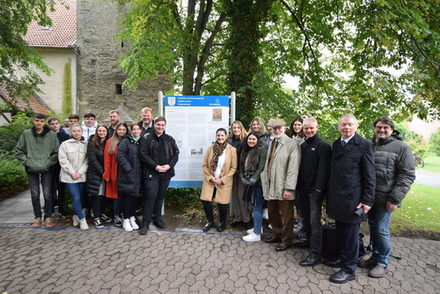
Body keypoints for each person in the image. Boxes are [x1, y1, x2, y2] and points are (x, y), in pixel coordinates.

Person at [358, 116, 415, 278]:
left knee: (381, 230)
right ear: (374, 129)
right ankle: (375, 257)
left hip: (387, 199)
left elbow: (407, 175)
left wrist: (395, 199)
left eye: (385, 128)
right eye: (379, 127)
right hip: (370, 198)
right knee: (374, 228)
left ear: (391, 129)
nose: (382, 130)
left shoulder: (401, 148)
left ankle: (383, 262)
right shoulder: (370, 145)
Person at [326, 114, 375, 284]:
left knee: (351, 235)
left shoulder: (364, 145)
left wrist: (368, 200)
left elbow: (370, 175)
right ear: (339, 126)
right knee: (341, 232)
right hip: (337, 197)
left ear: (356, 126)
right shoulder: (337, 144)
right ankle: (343, 259)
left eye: (350, 125)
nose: (346, 127)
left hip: (354, 199)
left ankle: (349, 269)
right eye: (343, 124)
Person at [295, 117, 332, 266]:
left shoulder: (323, 146)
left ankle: (316, 254)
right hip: (302, 190)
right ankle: (309, 243)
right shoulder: (303, 145)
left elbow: (324, 171)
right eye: (306, 128)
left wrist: (318, 190)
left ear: (317, 127)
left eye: (311, 128)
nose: (308, 130)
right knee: (306, 219)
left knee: (315, 222)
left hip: (315, 192)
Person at [260, 119, 300, 251]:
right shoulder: (273, 142)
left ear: (284, 128)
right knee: (272, 212)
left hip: (284, 187)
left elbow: (293, 168)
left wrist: (289, 188)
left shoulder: (291, 143)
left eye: (279, 128)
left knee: (287, 215)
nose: (276, 130)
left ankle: (287, 240)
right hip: (272, 185)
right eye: (274, 128)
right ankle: (277, 234)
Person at [15, 113, 60, 228]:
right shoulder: (26, 134)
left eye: (41, 121)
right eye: (37, 120)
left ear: (44, 122)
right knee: (35, 194)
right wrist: (27, 162)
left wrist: (49, 162)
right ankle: (37, 217)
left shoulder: (51, 135)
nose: (39, 123)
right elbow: (18, 150)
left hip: (47, 168)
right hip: (31, 168)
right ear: (33, 121)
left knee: (47, 194)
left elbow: (57, 152)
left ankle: (48, 217)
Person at [139, 116, 179, 235]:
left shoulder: (169, 139)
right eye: (158, 125)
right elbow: (143, 155)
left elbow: (176, 154)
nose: (160, 127)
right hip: (151, 173)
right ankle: (145, 223)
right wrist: (156, 166)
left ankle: (157, 219)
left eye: (162, 125)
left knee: (160, 197)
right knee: (150, 197)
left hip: (166, 173)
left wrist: (168, 166)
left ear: (165, 126)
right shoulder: (146, 138)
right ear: (154, 125)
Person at [200, 128, 237, 232]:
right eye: (218, 135)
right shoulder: (210, 148)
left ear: (226, 137)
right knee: (206, 201)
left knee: (223, 204)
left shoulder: (232, 150)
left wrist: (222, 179)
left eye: (222, 135)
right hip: (210, 180)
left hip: (224, 182)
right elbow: (205, 165)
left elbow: (233, 168)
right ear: (216, 136)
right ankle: (210, 222)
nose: (220, 137)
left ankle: (222, 223)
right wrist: (210, 177)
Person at [58, 124, 89, 230]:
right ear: (71, 132)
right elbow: (63, 160)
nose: (76, 133)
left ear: (82, 132)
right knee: (75, 196)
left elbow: (88, 160)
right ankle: (82, 219)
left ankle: (75, 216)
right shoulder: (65, 144)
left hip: (81, 175)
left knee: (80, 198)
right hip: (69, 176)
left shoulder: (86, 144)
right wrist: (72, 172)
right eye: (74, 131)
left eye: (78, 131)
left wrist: (80, 172)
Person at [241, 132, 268, 242]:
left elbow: (261, 166)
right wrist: (243, 177)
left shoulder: (262, 150)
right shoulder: (245, 150)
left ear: (258, 140)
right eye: (249, 139)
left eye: (253, 139)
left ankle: (256, 234)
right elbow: (241, 165)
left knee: (257, 207)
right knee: (253, 206)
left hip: (259, 183)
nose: (251, 141)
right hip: (248, 182)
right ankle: (258, 228)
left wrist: (254, 178)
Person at [117, 124, 143, 232]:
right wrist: (129, 169)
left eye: (138, 129)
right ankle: (126, 219)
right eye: (134, 129)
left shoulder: (142, 141)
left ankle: (132, 218)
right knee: (127, 198)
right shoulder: (126, 141)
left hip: (138, 175)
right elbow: (120, 156)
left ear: (141, 130)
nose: (136, 131)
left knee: (134, 198)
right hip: (127, 175)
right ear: (131, 131)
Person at [103, 122, 129, 227]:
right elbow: (107, 159)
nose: (121, 131)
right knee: (116, 196)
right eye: (119, 129)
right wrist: (107, 174)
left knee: (125, 195)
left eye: (124, 129)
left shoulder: (129, 141)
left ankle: (124, 214)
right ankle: (116, 215)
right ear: (116, 130)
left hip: (126, 173)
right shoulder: (110, 142)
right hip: (115, 172)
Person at [86, 124, 109, 229]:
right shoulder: (92, 143)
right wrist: (102, 172)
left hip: (106, 174)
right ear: (96, 132)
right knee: (97, 195)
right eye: (100, 131)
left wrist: (107, 172)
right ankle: (96, 217)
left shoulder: (108, 143)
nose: (102, 133)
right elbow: (92, 160)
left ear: (107, 132)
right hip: (96, 174)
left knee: (104, 195)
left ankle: (101, 213)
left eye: (104, 131)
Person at [228, 120, 250, 228]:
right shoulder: (229, 141)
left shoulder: (246, 140)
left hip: (242, 173)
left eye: (238, 128)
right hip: (232, 172)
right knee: (234, 196)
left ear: (241, 128)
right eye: (234, 128)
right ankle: (238, 218)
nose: (236, 130)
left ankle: (246, 219)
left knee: (241, 196)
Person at [48, 117, 70, 216]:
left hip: (61, 166)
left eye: (56, 123)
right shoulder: (46, 136)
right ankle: (51, 209)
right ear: (49, 125)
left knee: (61, 188)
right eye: (52, 124)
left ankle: (62, 209)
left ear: (60, 124)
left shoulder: (65, 136)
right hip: (49, 166)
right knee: (50, 188)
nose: (54, 125)